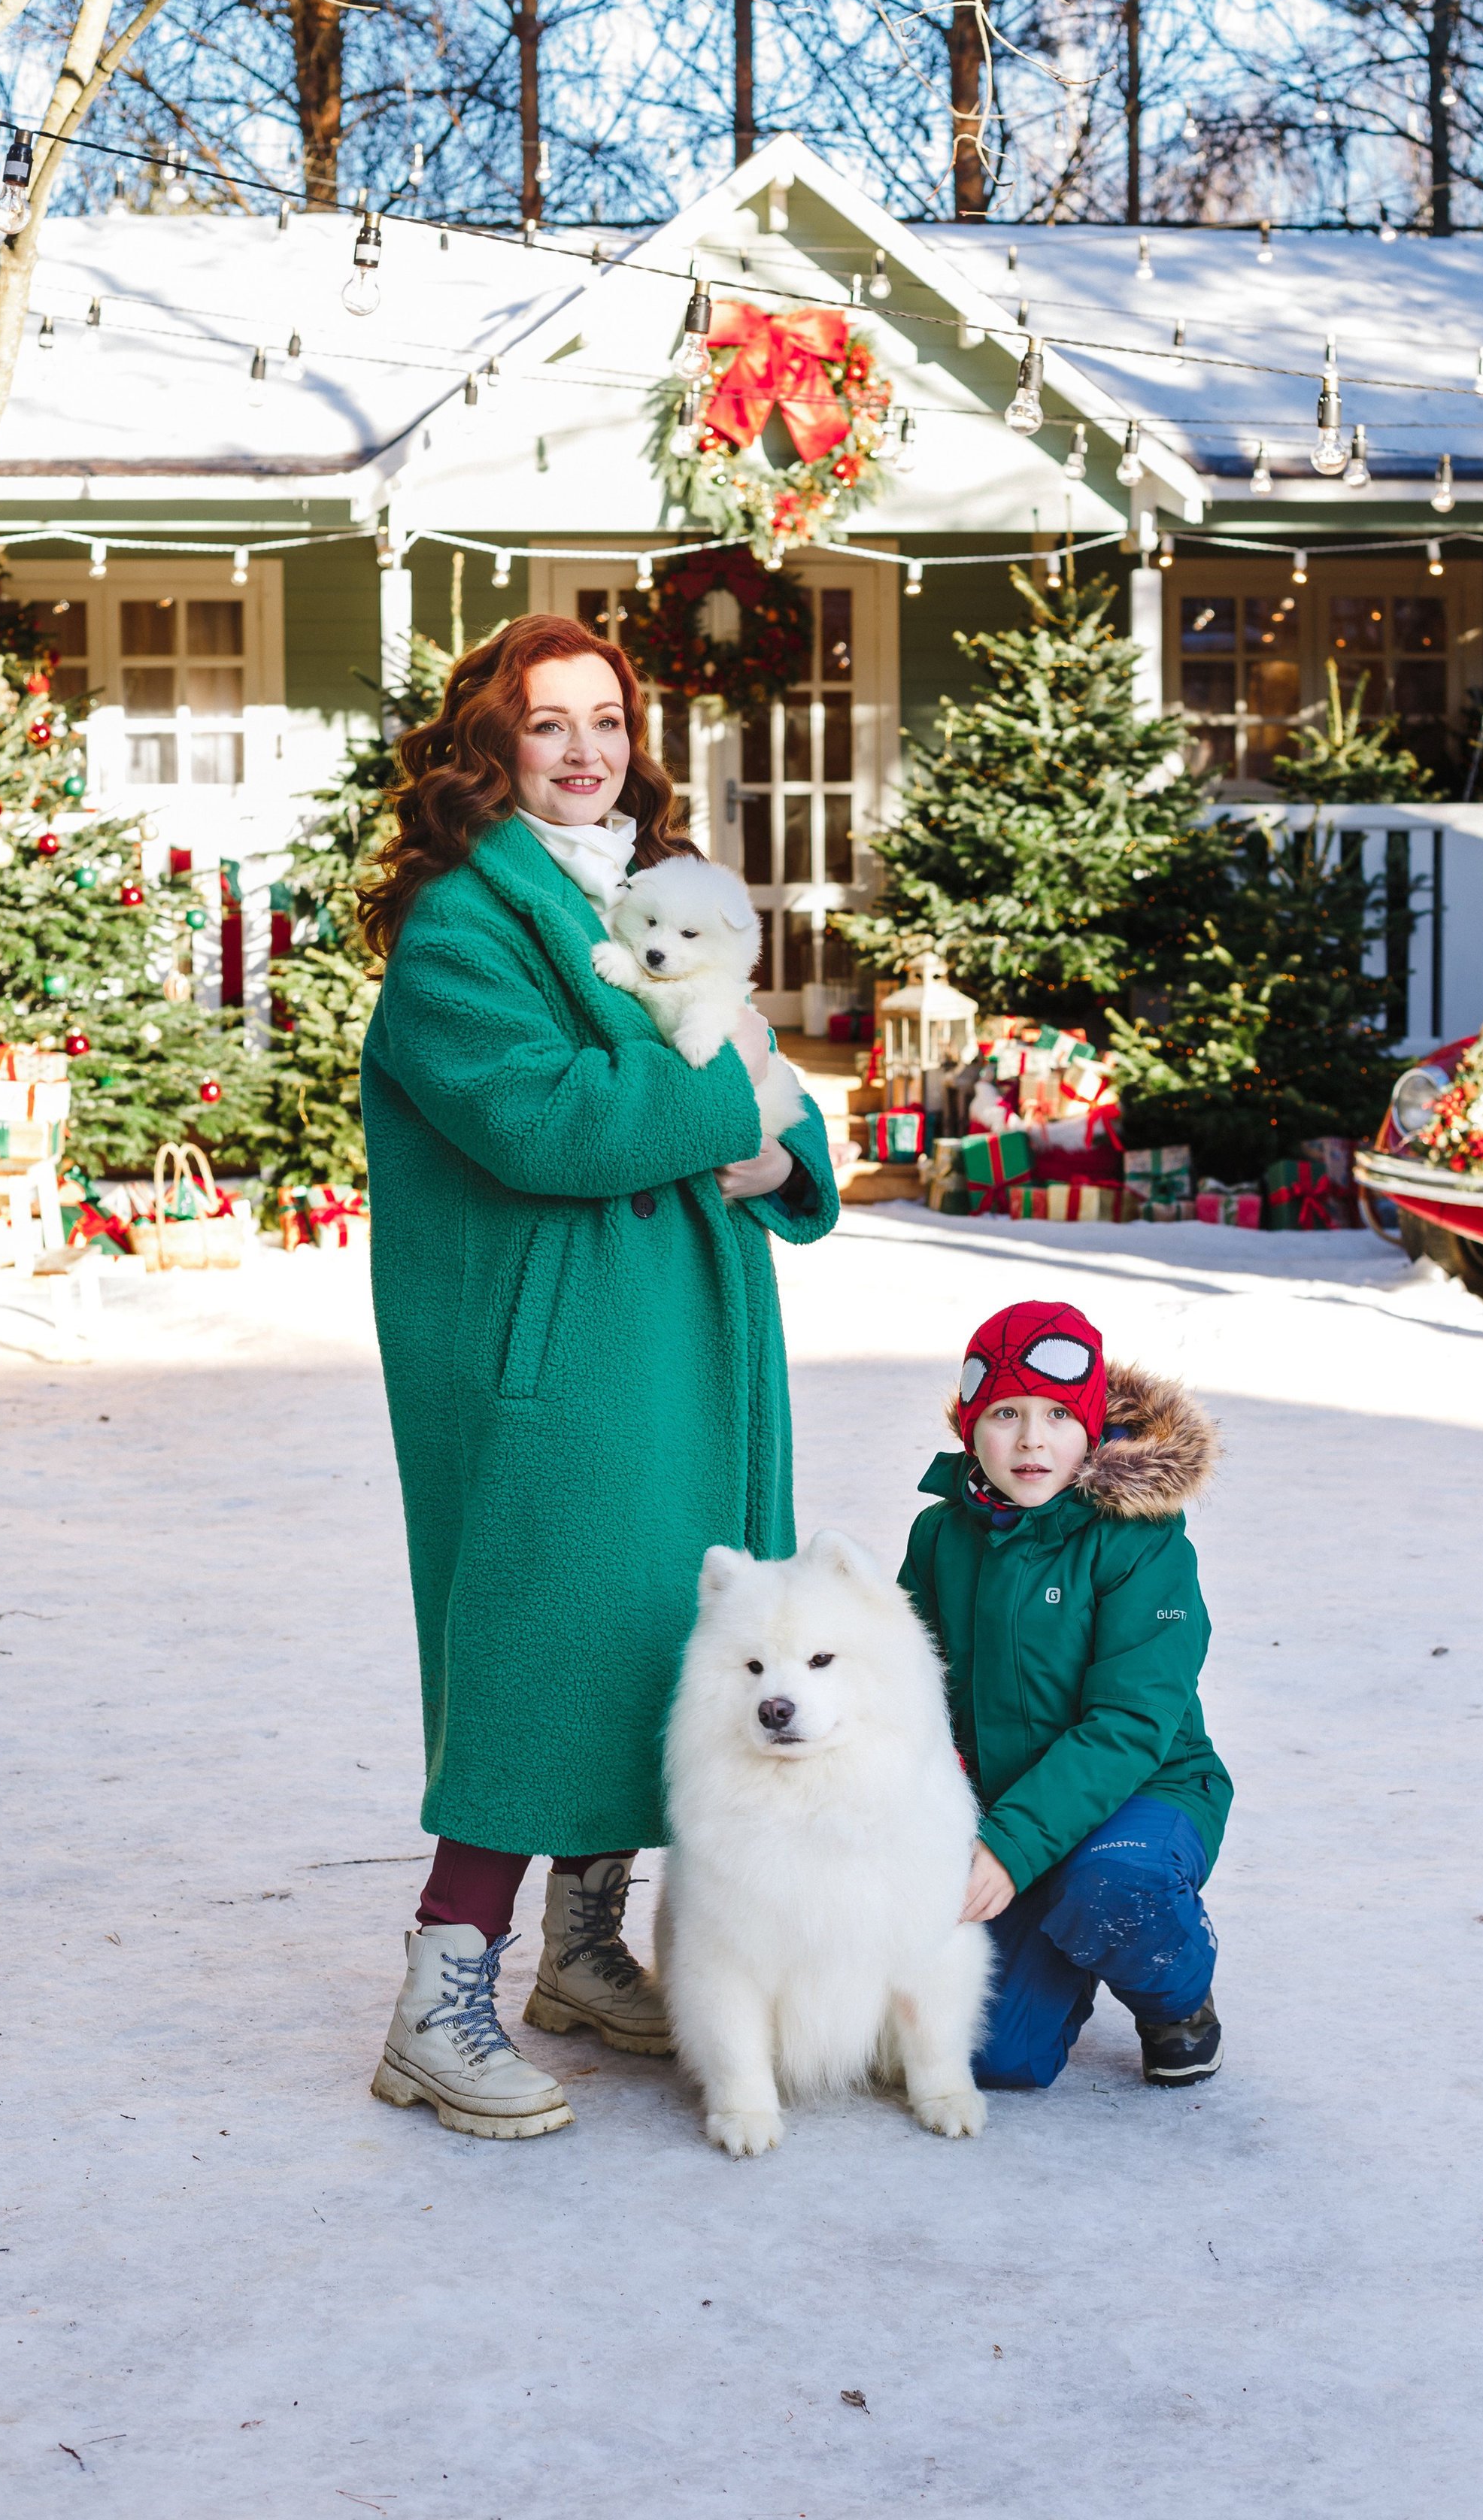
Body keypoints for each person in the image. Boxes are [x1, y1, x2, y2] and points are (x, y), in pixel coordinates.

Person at [355, 615, 838, 2139]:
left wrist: (777, 1147)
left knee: (658, 1644)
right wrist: (727, 1100)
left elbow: (769, 1091)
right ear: (487, 745)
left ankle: (578, 1952)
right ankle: (441, 2002)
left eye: (607, 721)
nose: (583, 751)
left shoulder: (641, 897)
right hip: (552, 1359)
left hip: (682, 1338)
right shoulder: (460, 927)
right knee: (532, 1655)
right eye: (546, 722)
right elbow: (552, 1123)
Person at [899, 1299, 1231, 2091]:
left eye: (1055, 1414)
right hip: (1000, 1810)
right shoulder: (941, 1537)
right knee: (990, 2056)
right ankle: (1047, 1942)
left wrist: (1009, 1847)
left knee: (1112, 1885)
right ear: (970, 1426)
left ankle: (1175, 1998)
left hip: (1142, 1793)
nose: (1030, 1439)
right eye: (1004, 1413)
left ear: (1090, 1424)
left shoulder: (1138, 1537)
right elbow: (906, 1687)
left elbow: (1130, 1721)